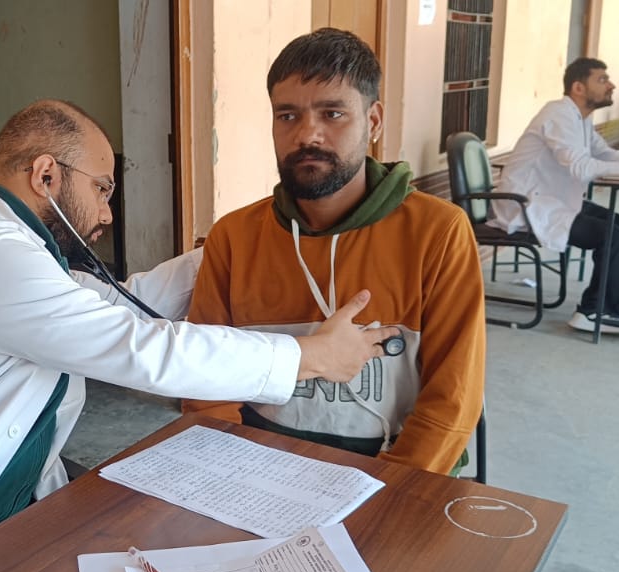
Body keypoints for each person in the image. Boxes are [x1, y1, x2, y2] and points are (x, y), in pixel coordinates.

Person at [0, 99, 400, 572]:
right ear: (46, 174)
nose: (106, 212)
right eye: (101, 188)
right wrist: (310, 357)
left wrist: (237, 245)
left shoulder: (28, 260)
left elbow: (130, 301)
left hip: (0, 519)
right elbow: (138, 347)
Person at [179, 28, 485, 476]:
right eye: (287, 116)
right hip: (255, 464)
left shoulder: (437, 232)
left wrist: (389, 488)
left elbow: (452, 399)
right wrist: (235, 470)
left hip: (393, 471)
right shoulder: (234, 236)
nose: (308, 135)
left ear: (373, 122)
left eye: (333, 113)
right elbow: (207, 381)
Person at [487, 58, 619, 334]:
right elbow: (580, 167)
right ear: (578, 87)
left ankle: (598, 306)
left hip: (550, 200)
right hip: (526, 204)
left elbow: (604, 154)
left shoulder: (580, 118)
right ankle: (605, 311)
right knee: (612, 235)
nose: (611, 85)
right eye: (602, 80)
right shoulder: (558, 115)